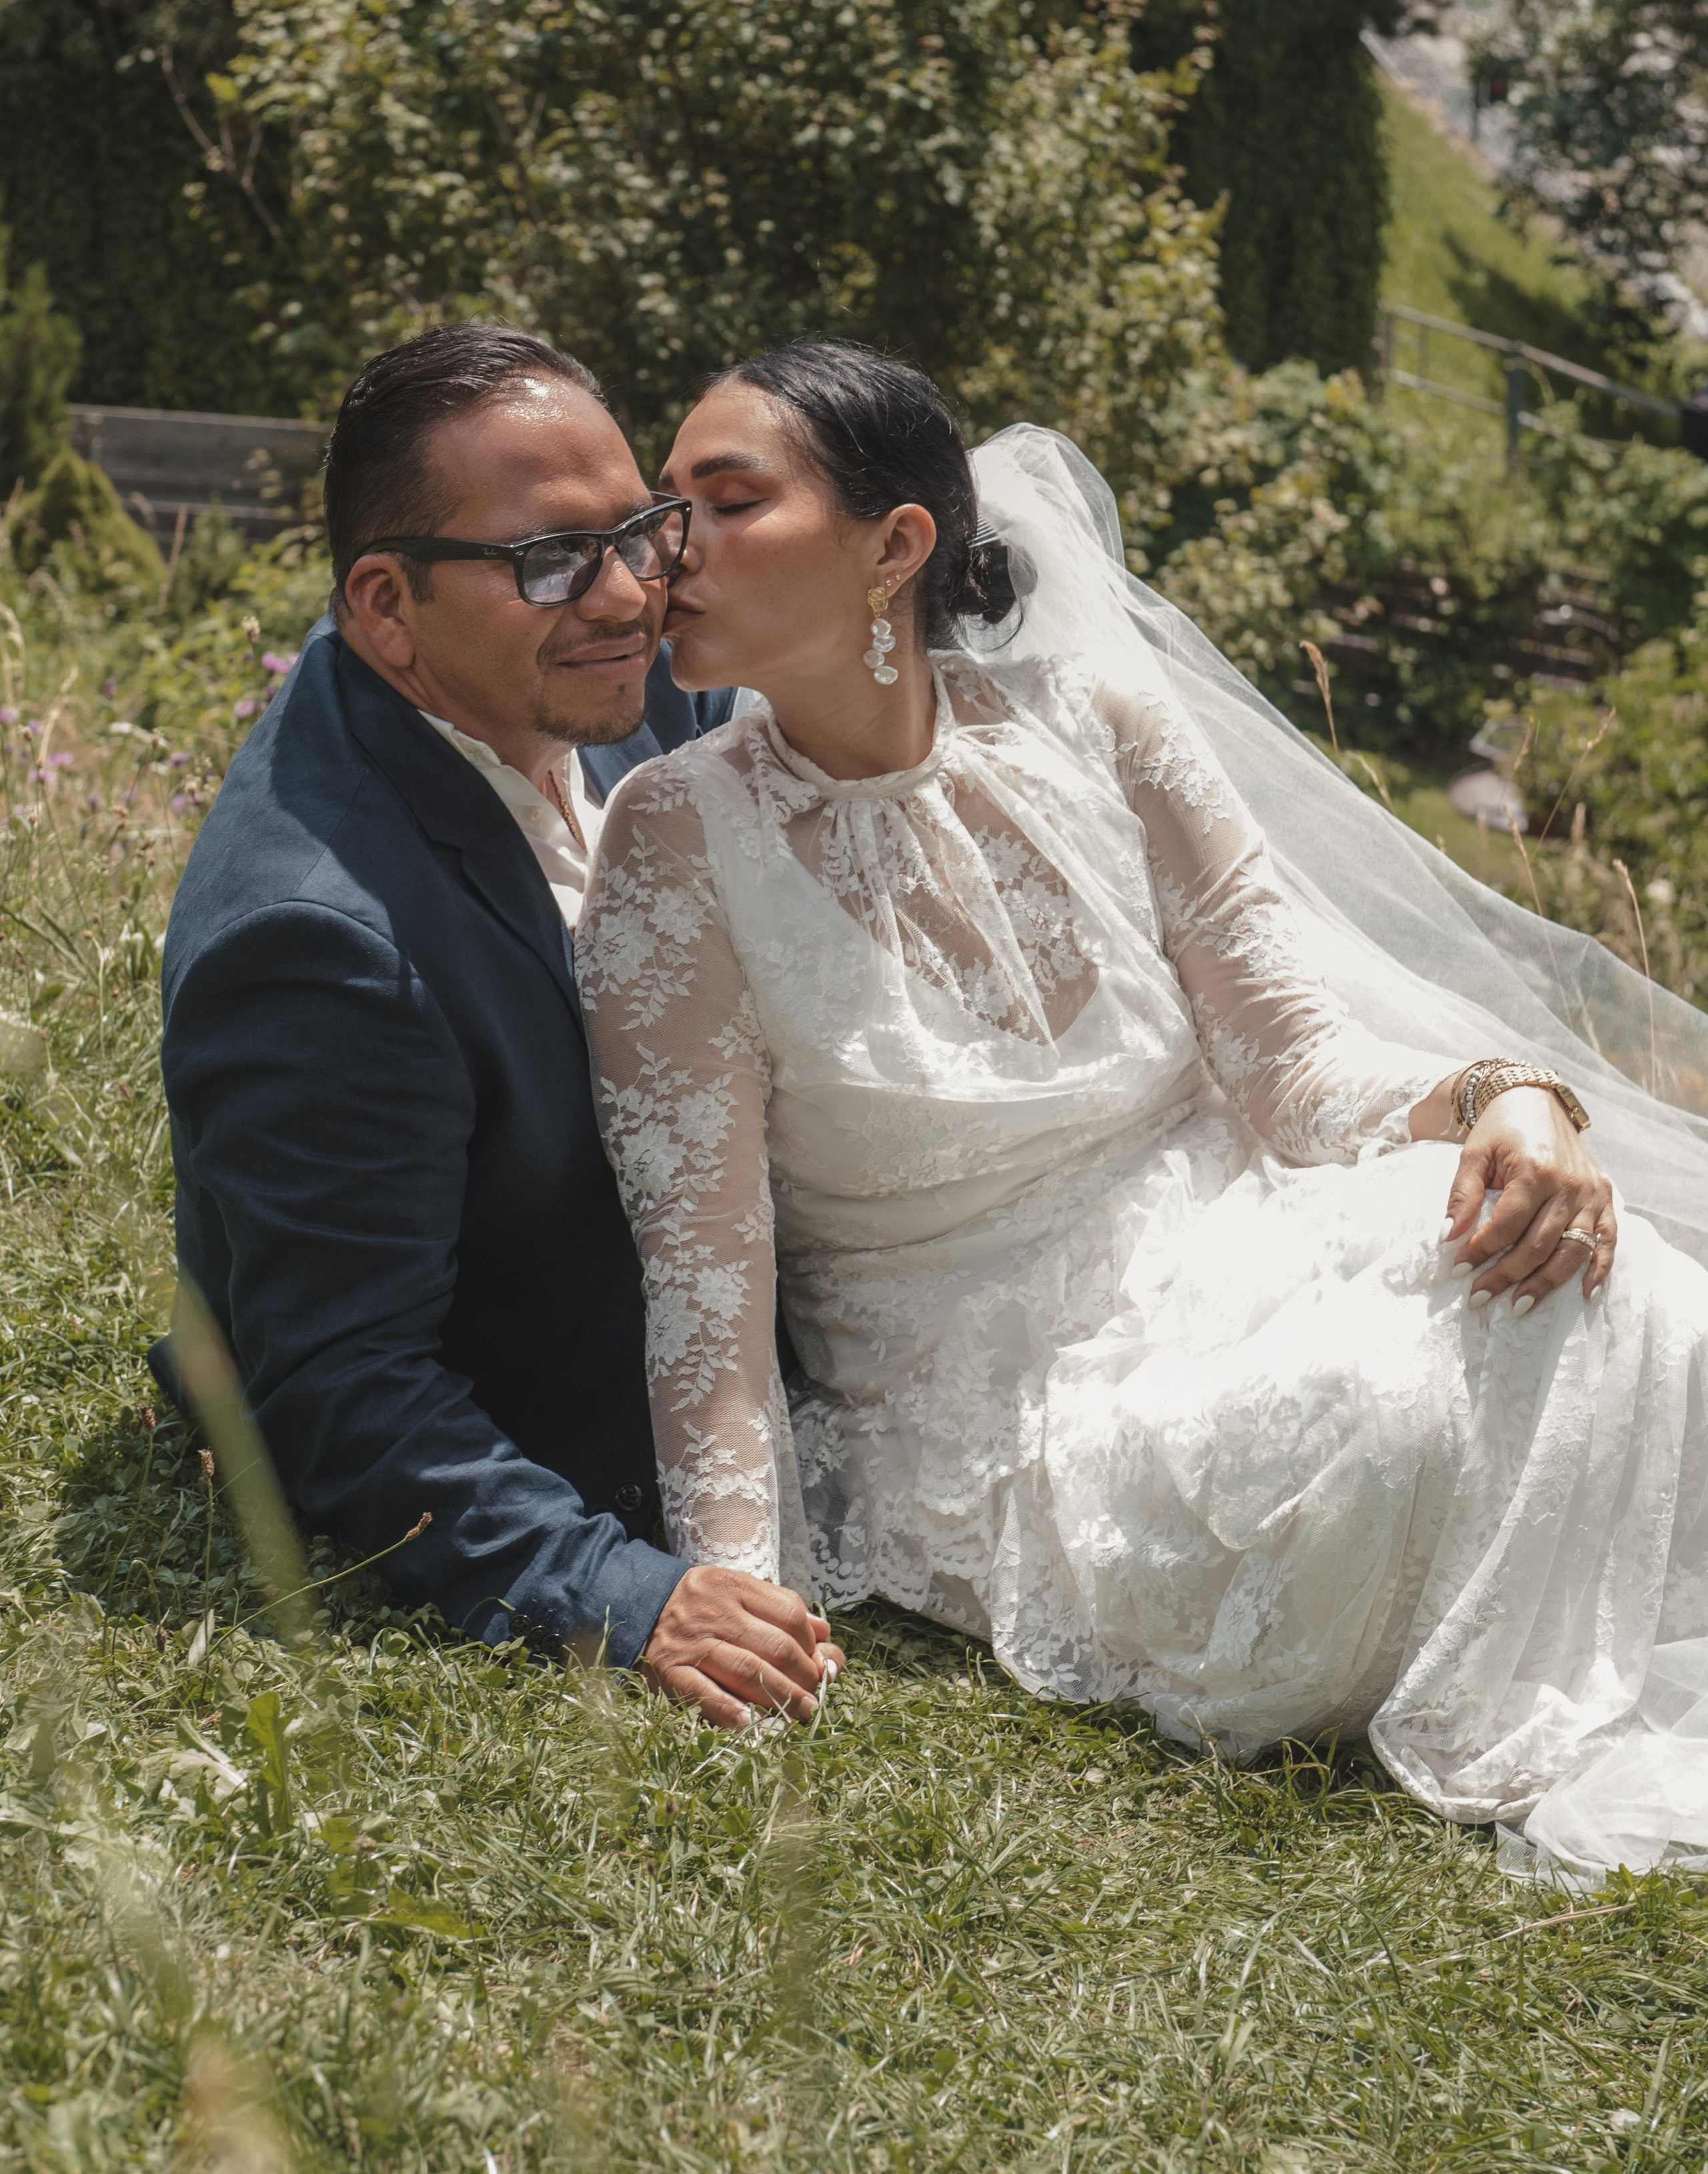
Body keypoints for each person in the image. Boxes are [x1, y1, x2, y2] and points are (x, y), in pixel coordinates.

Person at [577, 340, 1708, 1878]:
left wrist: (1504, 1096)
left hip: (1244, 1239)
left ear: (894, 545)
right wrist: (728, 1589)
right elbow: (705, 1272)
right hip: (1009, 1396)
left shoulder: (1097, 721)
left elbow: (1292, 1066)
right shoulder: (673, 836)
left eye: (726, 500)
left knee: (1608, 1272)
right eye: (667, 509)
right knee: (1371, 1434)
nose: (669, 549)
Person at [160, 323, 840, 1722]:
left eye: (638, 533)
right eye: (549, 561)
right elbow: (340, 1382)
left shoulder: (599, 677)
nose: (628, 596)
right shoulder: (318, 944)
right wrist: (619, 1591)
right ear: (387, 607)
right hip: (581, 1385)